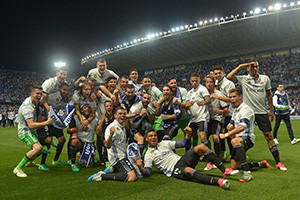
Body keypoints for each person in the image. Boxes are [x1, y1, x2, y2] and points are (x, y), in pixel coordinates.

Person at [227, 61, 287, 171]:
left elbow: (269, 94)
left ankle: (278, 162)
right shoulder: (243, 79)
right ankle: (240, 158)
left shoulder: (265, 78)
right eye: (252, 66)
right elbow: (229, 76)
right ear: (248, 68)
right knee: (240, 135)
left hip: (261, 112)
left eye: (256, 66)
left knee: (268, 136)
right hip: (247, 112)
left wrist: (271, 110)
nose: (255, 68)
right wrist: (241, 66)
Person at [137, 128, 232, 189]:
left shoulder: (164, 143)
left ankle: (224, 170)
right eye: (151, 136)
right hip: (174, 169)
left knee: (201, 147)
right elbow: (147, 172)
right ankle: (218, 182)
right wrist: (141, 167)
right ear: (146, 139)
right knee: (188, 170)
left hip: (182, 160)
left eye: (155, 135)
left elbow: (182, 143)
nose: (154, 138)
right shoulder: (148, 155)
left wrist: (188, 134)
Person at [220, 89, 271, 182]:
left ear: (240, 96)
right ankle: (259, 164)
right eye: (230, 97)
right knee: (235, 166)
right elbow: (232, 122)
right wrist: (229, 126)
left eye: (234, 97)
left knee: (234, 141)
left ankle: (247, 174)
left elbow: (242, 127)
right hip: (238, 137)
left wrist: (227, 134)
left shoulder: (246, 109)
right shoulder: (235, 110)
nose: (232, 99)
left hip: (247, 138)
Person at [88, 107, 138, 182]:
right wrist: (111, 135)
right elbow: (108, 146)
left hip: (123, 156)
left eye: (124, 114)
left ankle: (112, 169)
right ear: (115, 116)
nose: (123, 115)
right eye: (120, 114)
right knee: (132, 177)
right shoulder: (111, 128)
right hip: (118, 159)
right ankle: (102, 176)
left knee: (138, 172)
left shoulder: (121, 126)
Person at [13, 85, 53, 177]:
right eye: (37, 93)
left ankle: (30, 162)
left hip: (31, 129)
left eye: (40, 94)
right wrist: (46, 122)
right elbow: (31, 125)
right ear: (32, 94)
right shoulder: (28, 107)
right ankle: (18, 168)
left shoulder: (35, 102)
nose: (39, 96)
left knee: (41, 148)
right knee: (38, 148)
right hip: (25, 131)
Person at [175, 73, 211, 151]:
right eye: (193, 81)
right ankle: (188, 154)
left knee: (203, 136)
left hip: (202, 117)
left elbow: (208, 100)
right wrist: (188, 105)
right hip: (193, 118)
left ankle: (210, 158)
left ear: (199, 80)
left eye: (196, 81)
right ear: (190, 82)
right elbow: (187, 106)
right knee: (188, 134)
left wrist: (203, 102)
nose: (194, 82)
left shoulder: (202, 89)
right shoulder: (189, 93)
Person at [39, 82, 71, 167]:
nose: (66, 92)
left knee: (62, 139)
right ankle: (42, 164)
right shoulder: (53, 96)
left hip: (56, 122)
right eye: (64, 90)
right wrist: (46, 109)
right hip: (48, 122)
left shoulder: (65, 98)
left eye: (67, 90)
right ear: (60, 89)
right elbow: (42, 101)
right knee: (48, 141)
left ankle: (56, 160)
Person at [204, 75, 229, 170]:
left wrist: (219, 111)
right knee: (204, 138)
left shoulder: (219, 94)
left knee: (215, 136)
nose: (209, 84)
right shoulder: (203, 94)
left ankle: (217, 157)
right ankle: (209, 156)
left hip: (217, 119)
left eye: (211, 82)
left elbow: (226, 110)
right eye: (207, 82)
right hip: (207, 119)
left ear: (214, 83)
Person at [67, 103, 101, 171]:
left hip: (89, 143)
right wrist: (71, 130)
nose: (87, 109)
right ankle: (73, 163)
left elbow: (99, 132)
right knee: (74, 141)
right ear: (81, 110)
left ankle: (83, 154)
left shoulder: (95, 118)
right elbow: (68, 130)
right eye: (85, 107)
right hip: (80, 142)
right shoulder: (76, 118)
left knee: (89, 165)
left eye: (88, 107)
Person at [212, 65, 236, 161]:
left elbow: (232, 99)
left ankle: (233, 155)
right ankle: (223, 153)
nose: (217, 75)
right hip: (221, 113)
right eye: (215, 74)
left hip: (230, 113)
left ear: (223, 73)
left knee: (229, 135)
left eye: (219, 73)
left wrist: (218, 97)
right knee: (220, 134)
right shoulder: (217, 83)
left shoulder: (228, 84)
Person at [168, 78, 191, 152]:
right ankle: (171, 153)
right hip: (174, 119)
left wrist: (178, 102)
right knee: (169, 135)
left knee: (187, 135)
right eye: (171, 83)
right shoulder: (167, 92)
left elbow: (185, 104)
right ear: (168, 84)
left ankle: (187, 153)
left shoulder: (182, 91)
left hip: (184, 118)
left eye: (175, 83)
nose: (174, 84)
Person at [96, 100, 114, 165]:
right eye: (107, 106)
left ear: (112, 107)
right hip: (104, 136)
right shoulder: (102, 117)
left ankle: (109, 158)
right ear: (104, 108)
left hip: (114, 136)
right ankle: (103, 158)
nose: (109, 107)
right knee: (100, 138)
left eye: (110, 106)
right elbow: (98, 132)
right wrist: (101, 121)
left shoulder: (116, 117)